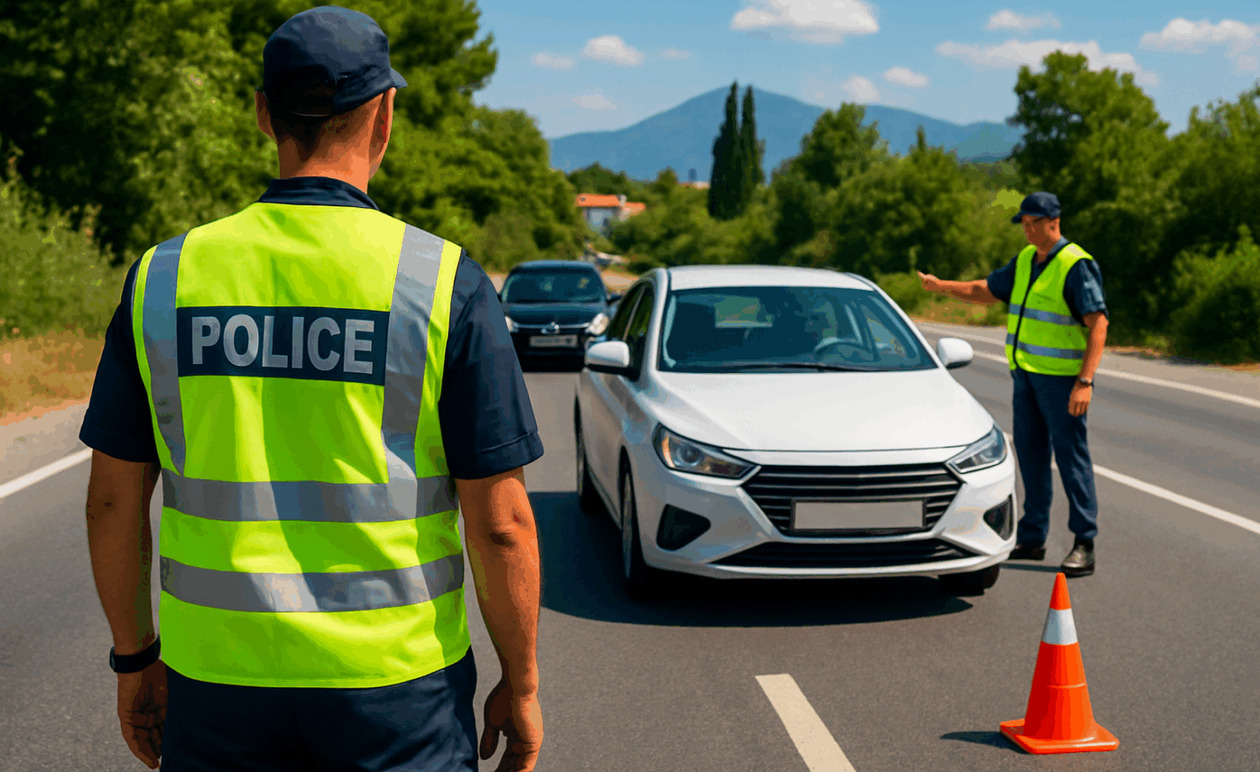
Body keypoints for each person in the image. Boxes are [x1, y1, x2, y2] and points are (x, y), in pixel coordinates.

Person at [79, 7, 544, 770]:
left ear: (264, 115)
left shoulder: (165, 277)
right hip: (397, 689)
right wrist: (519, 682)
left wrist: (134, 659)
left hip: (218, 681)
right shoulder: (440, 281)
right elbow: (502, 525)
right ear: (385, 115)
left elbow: (111, 500)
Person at [918, 191, 1108, 578]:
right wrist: (941, 287)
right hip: (1025, 378)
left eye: (1031, 221)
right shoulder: (1025, 260)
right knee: (1031, 456)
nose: (1026, 228)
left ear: (1052, 221)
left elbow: (1099, 323)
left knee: (1071, 460)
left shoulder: (1075, 264)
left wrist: (1085, 381)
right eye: (1023, 222)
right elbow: (984, 290)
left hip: (1061, 381)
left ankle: (1083, 541)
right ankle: (1033, 536)